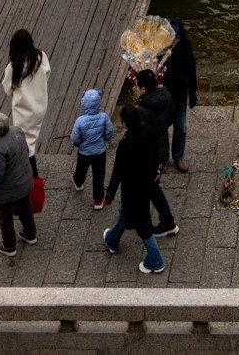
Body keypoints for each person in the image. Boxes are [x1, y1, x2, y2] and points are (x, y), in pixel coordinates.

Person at [103, 106, 165, 274]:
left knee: (142, 225)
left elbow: (117, 171)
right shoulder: (149, 131)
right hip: (147, 184)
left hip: (132, 189)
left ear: (125, 122)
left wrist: (109, 194)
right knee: (126, 212)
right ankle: (112, 239)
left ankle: (155, 260)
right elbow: (156, 153)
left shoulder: (126, 143)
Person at [0, 112, 37, 259]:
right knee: (25, 208)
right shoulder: (18, 131)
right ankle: (30, 234)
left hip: (9, 190)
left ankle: (9, 246)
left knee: (5, 217)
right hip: (24, 179)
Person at [135, 70, 179, 236]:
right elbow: (170, 120)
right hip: (162, 149)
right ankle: (166, 220)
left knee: (151, 187)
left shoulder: (142, 110)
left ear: (144, 89)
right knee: (153, 185)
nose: (136, 88)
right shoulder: (166, 96)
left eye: (137, 86)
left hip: (149, 155)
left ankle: (167, 221)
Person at [3, 28, 50, 174]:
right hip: (40, 105)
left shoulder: (14, 65)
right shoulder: (41, 56)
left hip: (23, 110)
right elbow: (47, 73)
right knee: (30, 141)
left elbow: (7, 89)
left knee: (26, 145)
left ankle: (32, 176)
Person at [161, 16, 198, 172]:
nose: (175, 40)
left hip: (180, 93)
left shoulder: (185, 45)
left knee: (181, 127)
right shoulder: (162, 47)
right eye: (173, 37)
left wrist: (192, 91)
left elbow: (191, 68)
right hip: (164, 94)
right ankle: (161, 157)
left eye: (178, 37)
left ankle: (178, 155)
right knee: (161, 127)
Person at [70, 88, 114, 209]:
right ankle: (98, 201)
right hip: (100, 152)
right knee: (99, 175)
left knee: (81, 170)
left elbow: (75, 139)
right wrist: (104, 139)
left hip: (84, 152)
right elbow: (109, 132)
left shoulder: (80, 121)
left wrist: (79, 144)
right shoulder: (104, 117)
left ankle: (78, 183)